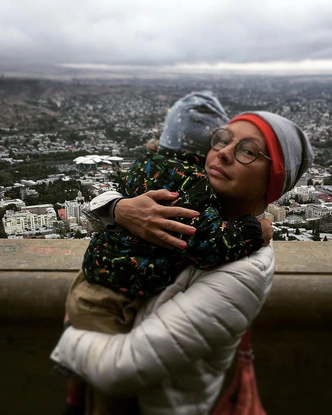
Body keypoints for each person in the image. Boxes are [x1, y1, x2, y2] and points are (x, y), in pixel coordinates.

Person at [52, 108, 314, 415]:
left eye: (248, 151)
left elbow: (121, 370)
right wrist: (120, 209)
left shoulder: (246, 266)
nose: (224, 154)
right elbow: (97, 220)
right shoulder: (186, 207)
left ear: (273, 179)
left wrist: (69, 335)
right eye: (222, 141)